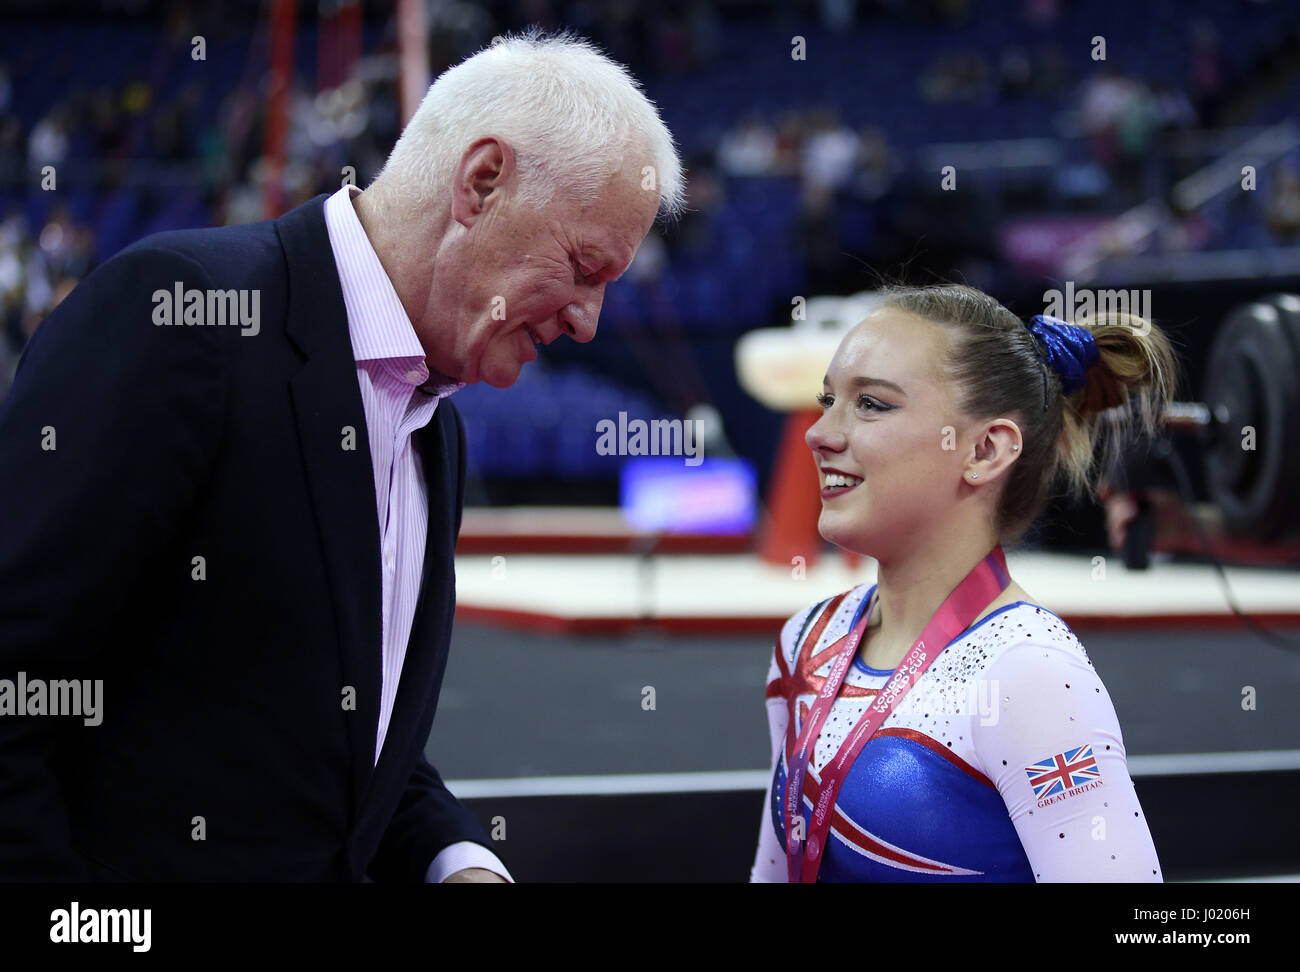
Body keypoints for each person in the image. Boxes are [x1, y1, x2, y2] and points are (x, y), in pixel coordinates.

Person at [0, 29, 682, 882]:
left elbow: (341, 749)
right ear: (481, 182)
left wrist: (455, 860)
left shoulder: (439, 423)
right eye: (585, 267)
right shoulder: (180, 320)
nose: (589, 318)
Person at [751, 283, 1178, 882]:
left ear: (984, 448)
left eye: (872, 404)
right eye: (828, 400)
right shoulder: (807, 644)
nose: (820, 432)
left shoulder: (1026, 673)